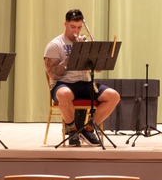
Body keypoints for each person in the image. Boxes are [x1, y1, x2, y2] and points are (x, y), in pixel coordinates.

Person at [44, 8, 121, 147]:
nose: (76, 31)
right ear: (65, 24)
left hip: (85, 83)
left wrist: (97, 55)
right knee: (64, 93)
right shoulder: (55, 45)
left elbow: (97, 69)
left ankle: (88, 129)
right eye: (73, 27)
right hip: (64, 83)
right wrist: (70, 58)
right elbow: (52, 73)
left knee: (114, 96)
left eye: (79, 27)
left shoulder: (83, 43)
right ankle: (72, 131)